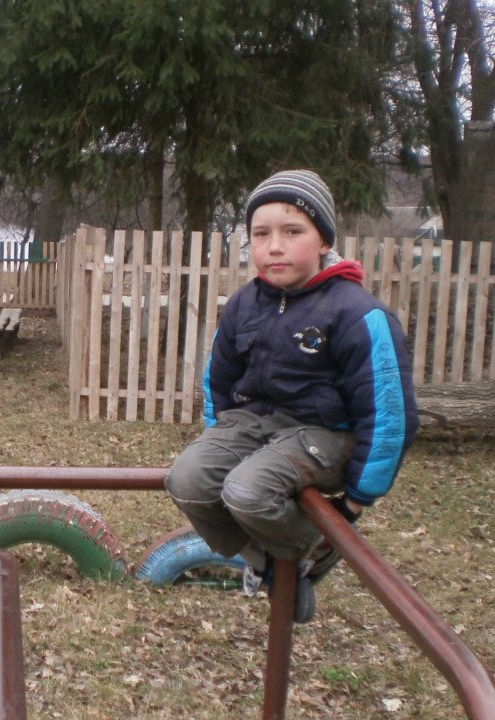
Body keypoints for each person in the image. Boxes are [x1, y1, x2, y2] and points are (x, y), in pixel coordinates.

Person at [164, 169, 418, 623]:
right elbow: (219, 376)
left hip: (325, 435)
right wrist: (218, 436)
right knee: (187, 479)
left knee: (246, 490)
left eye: (292, 231)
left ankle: (320, 546)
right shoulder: (245, 304)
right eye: (261, 234)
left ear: (324, 240)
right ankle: (267, 562)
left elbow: (388, 412)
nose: (275, 246)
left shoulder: (356, 312)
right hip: (255, 424)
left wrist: (355, 502)